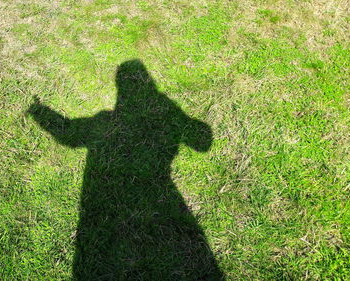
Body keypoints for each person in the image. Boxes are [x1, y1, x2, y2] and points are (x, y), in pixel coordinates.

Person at [28, 59, 222, 280]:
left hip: (108, 204)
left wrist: (39, 112)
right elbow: (202, 142)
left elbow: (70, 135)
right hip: (159, 196)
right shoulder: (159, 109)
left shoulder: (106, 120)